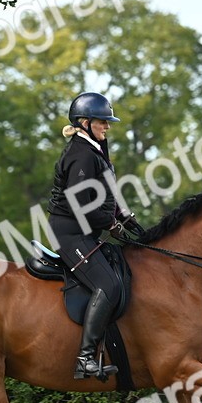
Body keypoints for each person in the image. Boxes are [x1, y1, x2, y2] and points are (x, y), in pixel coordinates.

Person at [47, 92, 146, 379]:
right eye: (103, 121)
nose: (107, 126)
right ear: (85, 123)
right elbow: (81, 205)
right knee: (108, 284)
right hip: (70, 233)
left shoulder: (95, 150)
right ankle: (85, 358)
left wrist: (125, 217)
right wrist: (111, 224)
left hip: (86, 230)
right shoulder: (81, 155)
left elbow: (107, 193)